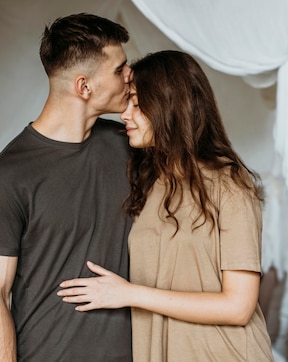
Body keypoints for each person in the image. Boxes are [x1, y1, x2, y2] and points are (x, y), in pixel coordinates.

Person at [58, 50, 275, 361]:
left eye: (136, 102)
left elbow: (239, 307)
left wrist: (128, 293)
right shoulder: (151, 183)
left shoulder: (230, 186)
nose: (125, 114)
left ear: (167, 106)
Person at [0, 13, 134, 362]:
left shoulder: (131, 145)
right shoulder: (5, 177)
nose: (130, 76)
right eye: (120, 69)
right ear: (84, 86)